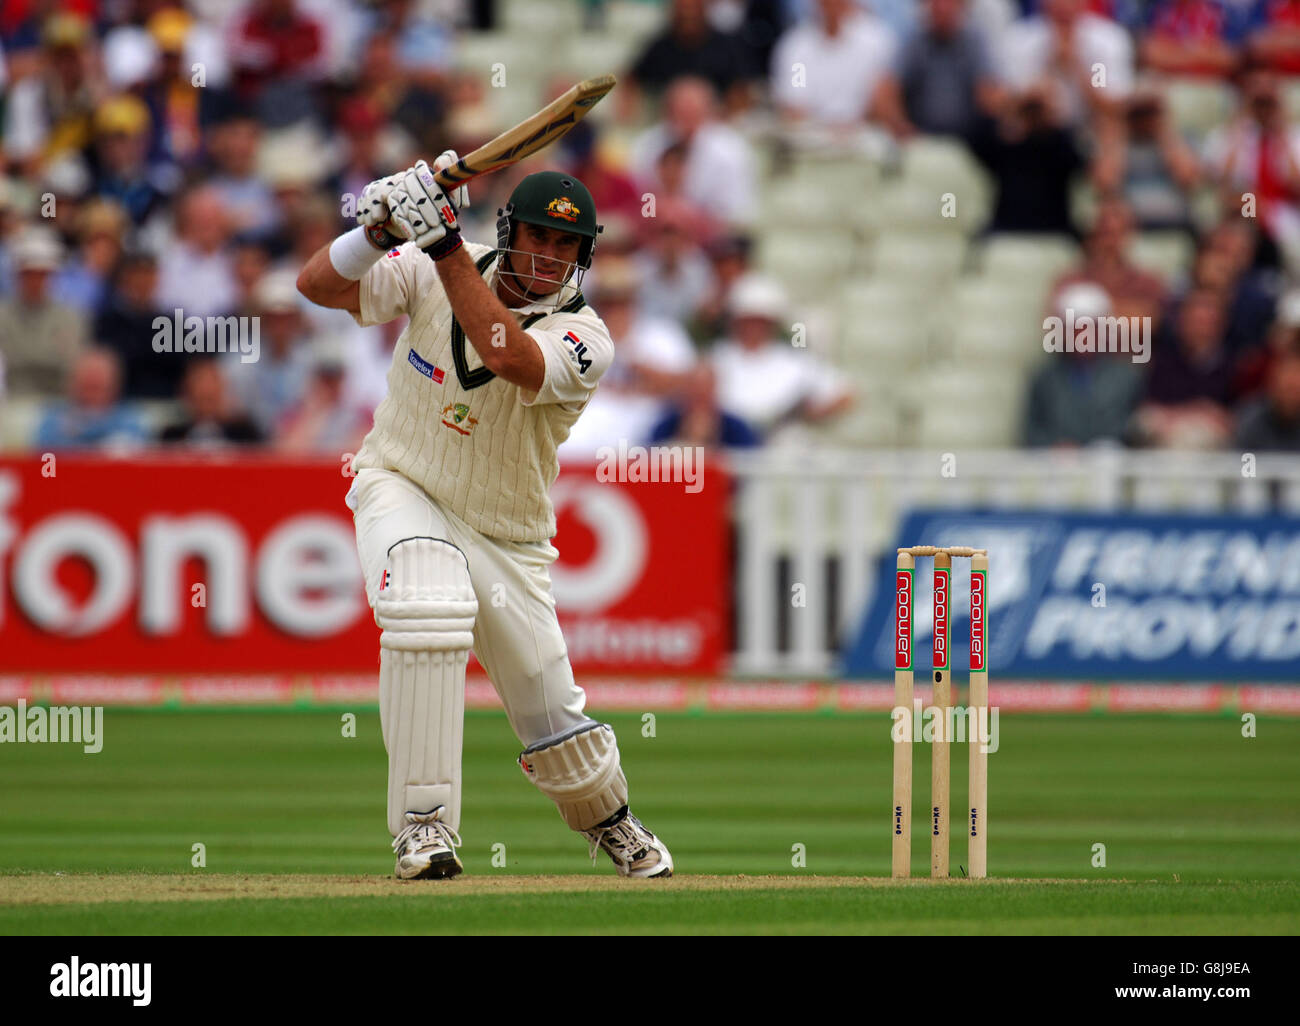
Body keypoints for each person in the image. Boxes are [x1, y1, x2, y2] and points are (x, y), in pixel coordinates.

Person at [296, 155, 674, 881]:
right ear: (510, 231)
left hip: (508, 532)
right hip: (402, 480)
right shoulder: (440, 258)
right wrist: (373, 230)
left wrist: (437, 243)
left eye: (567, 246)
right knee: (424, 605)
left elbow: (510, 357)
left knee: (551, 708)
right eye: (538, 237)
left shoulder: (586, 335)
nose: (550, 256)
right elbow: (317, 285)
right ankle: (423, 828)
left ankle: (609, 818)